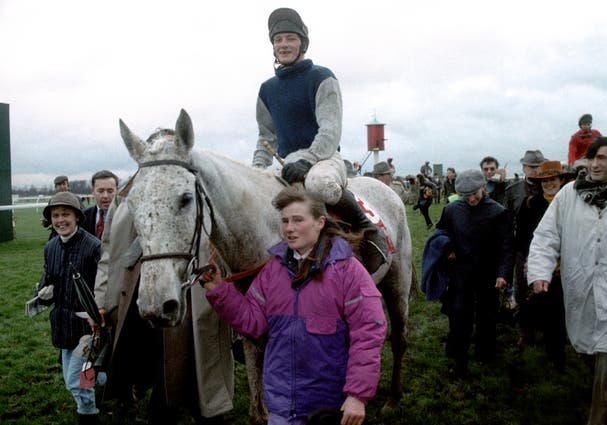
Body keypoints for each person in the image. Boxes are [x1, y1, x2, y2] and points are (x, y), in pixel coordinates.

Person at [200, 187, 387, 425]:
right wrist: (219, 290)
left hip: (328, 407)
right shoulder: (272, 271)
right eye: (285, 220)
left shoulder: (348, 271)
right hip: (280, 406)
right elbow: (253, 322)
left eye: (298, 220)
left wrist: (357, 395)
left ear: (320, 222)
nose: (289, 228)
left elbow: (369, 333)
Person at [93, 153, 234, 424]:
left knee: (193, 356)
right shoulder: (126, 197)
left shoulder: (195, 188)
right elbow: (109, 253)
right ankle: (154, 401)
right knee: (152, 356)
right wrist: (102, 300)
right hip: (139, 289)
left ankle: (196, 407)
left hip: (192, 287)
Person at [251, 7, 386, 273]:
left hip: (323, 157)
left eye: (290, 38)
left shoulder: (322, 77)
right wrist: (255, 171)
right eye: (278, 40)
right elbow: (265, 137)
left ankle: (368, 230)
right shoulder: (267, 90)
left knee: (319, 185)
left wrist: (308, 159)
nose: (283, 44)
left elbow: (330, 129)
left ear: (302, 42)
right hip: (286, 160)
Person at [528, 136, 607, 424]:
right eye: (591, 158)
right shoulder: (569, 195)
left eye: (602, 158)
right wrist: (540, 272)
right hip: (579, 289)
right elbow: (545, 236)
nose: (595, 163)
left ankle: (599, 417)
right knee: (587, 349)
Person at [435, 170, 513, 378]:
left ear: (483, 187)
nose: (471, 199)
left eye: (475, 194)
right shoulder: (451, 209)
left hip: (488, 272)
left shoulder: (498, 212)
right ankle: (459, 359)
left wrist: (503, 274)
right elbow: (441, 232)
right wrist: (447, 247)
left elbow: (507, 246)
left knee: (487, 315)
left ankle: (486, 353)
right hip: (461, 273)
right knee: (460, 315)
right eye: (465, 195)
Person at [36, 192, 102, 424]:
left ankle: (88, 413)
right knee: (75, 376)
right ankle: (103, 378)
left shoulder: (94, 246)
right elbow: (46, 279)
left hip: (87, 326)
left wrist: (99, 314)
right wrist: (42, 294)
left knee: (75, 379)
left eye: (66, 214)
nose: (60, 220)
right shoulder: (51, 246)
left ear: (77, 217)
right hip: (62, 325)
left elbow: (102, 287)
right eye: (56, 215)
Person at [515, 161, 574, 370]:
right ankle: (552, 353)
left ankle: (562, 351)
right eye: (545, 181)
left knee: (563, 312)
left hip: (569, 267)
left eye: (553, 180)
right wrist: (529, 260)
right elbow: (521, 236)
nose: (548, 184)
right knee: (548, 311)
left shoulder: (572, 204)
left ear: (561, 181)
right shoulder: (530, 204)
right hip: (542, 268)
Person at [503, 149, 546, 310]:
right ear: (523, 168)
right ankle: (525, 329)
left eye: (538, 166)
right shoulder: (513, 191)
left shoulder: (551, 186)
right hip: (522, 245)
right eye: (531, 166)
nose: (535, 170)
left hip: (549, 245)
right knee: (522, 287)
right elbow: (506, 221)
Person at [81, 170, 118, 239]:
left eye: (110, 191)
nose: (105, 196)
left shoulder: (127, 217)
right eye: (100, 191)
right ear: (93, 192)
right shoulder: (83, 217)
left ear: (117, 191)